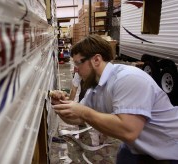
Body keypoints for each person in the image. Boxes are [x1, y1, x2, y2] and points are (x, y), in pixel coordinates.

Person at [50, 34, 178, 163]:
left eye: (78, 63)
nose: (76, 70)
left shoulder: (128, 78)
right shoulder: (95, 89)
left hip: (169, 149)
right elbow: (77, 118)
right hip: (136, 145)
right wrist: (60, 105)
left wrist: (83, 111)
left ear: (96, 60)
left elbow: (129, 130)